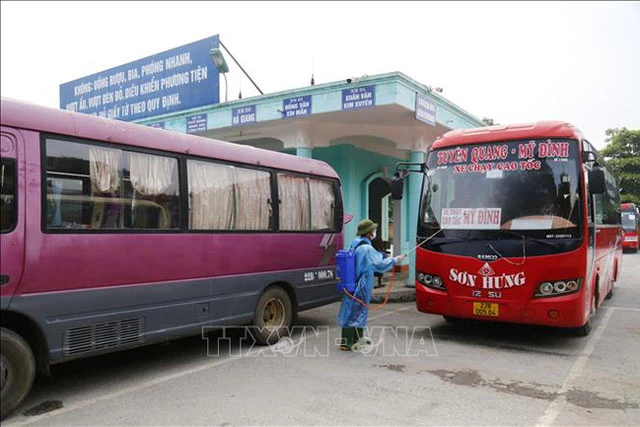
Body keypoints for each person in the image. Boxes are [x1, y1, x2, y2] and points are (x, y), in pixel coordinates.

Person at [337, 219, 406, 351]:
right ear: (369, 232)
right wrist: (395, 260)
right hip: (361, 284)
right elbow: (379, 264)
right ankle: (346, 343)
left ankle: (358, 337)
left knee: (357, 309)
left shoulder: (355, 243)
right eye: (373, 230)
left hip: (353, 282)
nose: (375, 232)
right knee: (355, 310)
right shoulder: (367, 248)